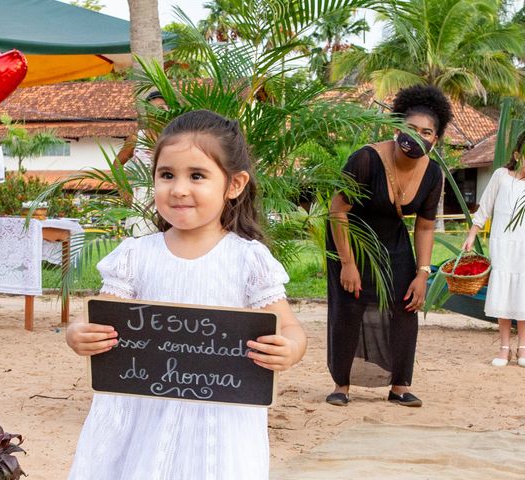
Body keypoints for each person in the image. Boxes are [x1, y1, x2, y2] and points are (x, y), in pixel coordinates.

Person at [66, 110, 307, 479]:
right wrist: (78, 334)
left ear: (234, 184)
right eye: (167, 175)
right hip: (140, 415)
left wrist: (288, 349)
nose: (178, 189)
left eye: (197, 175)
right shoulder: (135, 255)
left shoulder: (248, 259)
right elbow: (101, 316)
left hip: (220, 421)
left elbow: (290, 328)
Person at [325, 85, 453, 407]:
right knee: (350, 306)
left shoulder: (434, 174)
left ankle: (399, 385)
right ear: (397, 128)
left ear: (435, 139)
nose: (417, 136)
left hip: (393, 241)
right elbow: (337, 210)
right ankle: (342, 385)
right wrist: (348, 264)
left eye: (426, 132)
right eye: (411, 128)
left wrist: (422, 274)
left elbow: (424, 226)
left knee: (404, 305)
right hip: (352, 237)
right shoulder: (366, 160)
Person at [462, 131, 525, 367]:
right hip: (503, 244)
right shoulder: (501, 176)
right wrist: (471, 234)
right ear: (517, 155)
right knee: (504, 292)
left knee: (523, 296)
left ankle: (522, 348)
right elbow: (485, 206)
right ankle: (504, 347)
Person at [117, 90, 168, 237]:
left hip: (169, 194)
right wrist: (124, 191)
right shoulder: (138, 137)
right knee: (141, 243)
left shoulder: (174, 139)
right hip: (143, 199)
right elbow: (117, 164)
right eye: (152, 109)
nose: (157, 113)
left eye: (162, 108)